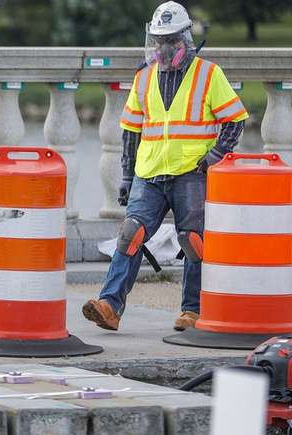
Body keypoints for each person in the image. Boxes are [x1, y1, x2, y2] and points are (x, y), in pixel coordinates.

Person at [82, 1, 248, 332]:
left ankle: (192, 311)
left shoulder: (208, 74)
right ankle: (110, 306)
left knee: (193, 241)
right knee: (130, 234)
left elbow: (235, 120)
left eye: (170, 40)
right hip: (149, 173)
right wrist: (127, 175)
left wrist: (214, 157)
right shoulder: (143, 77)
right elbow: (131, 131)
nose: (163, 48)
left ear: (185, 39)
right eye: (158, 41)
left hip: (191, 172)